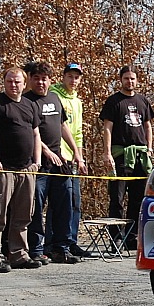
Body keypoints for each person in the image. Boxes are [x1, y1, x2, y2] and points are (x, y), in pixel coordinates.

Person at [0, 67, 43, 273]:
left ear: (24, 84)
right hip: (3, 169)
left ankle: (18, 255)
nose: (13, 85)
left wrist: (37, 162)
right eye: (9, 81)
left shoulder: (29, 105)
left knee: (24, 215)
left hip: (27, 169)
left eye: (17, 82)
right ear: (4, 82)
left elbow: (35, 134)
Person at [23, 61, 84, 265]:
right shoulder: (26, 101)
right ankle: (37, 248)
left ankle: (61, 248)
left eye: (44, 78)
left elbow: (63, 125)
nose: (41, 82)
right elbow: (33, 133)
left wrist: (76, 152)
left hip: (60, 160)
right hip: (39, 162)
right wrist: (46, 152)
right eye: (36, 78)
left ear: (50, 80)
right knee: (37, 206)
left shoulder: (55, 98)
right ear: (29, 79)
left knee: (64, 203)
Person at [100, 64, 154, 251]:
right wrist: (107, 153)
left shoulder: (143, 101)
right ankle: (115, 238)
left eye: (132, 78)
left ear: (137, 80)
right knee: (117, 198)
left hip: (140, 156)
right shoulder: (114, 101)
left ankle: (132, 237)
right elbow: (107, 128)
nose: (129, 81)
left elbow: (147, 126)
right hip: (121, 155)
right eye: (126, 78)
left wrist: (149, 148)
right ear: (120, 80)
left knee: (137, 199)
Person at [48, 62, 92, 259]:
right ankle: (52, 243)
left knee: (75, 201)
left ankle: (71, 241)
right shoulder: (54, 95)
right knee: (59, 202)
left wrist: (79, 156)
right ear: (63, 76)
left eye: (77, 77)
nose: (73, 81)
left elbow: (78, 132)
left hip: (73, 157)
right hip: (58, 156)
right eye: (70, 76)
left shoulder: (77, 101)